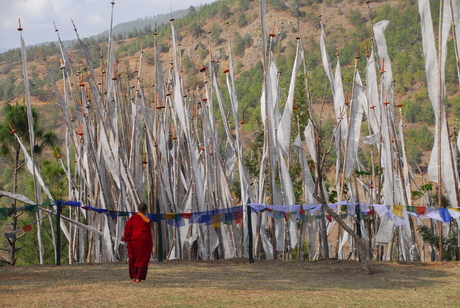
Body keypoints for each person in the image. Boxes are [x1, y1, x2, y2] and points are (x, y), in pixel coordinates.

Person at [122, 202, 153, 283]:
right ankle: (138, 278)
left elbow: (127, 229)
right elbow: (148, 234)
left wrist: (126, 239)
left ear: (138, 210)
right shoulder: (147, 220)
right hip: (144, 243)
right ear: (145, 210)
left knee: (134, 258)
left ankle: (135, 277)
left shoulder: (132, 219)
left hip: (134, 242)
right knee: (142, 259)